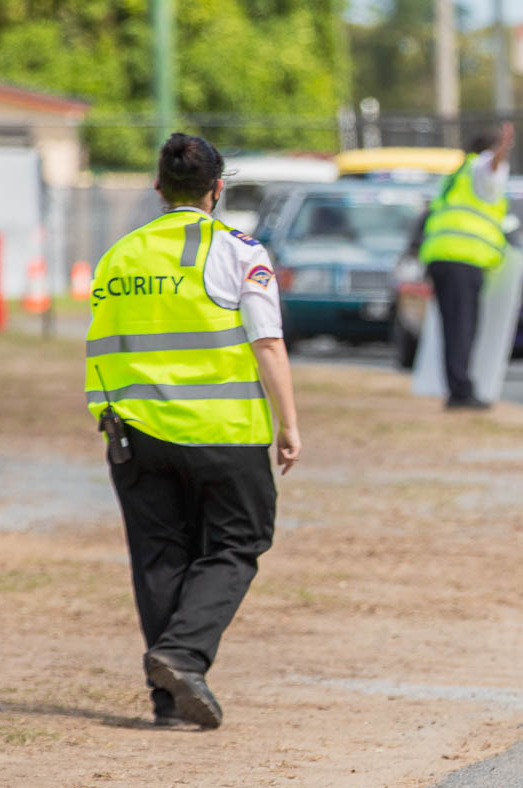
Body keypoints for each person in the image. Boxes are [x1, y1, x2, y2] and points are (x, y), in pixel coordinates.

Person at [87, 133, 302, 730]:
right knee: (236, 545)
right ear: (217, 189)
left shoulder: (121, 255)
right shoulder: (240, 251)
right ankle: (182, 657)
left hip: (134, 430)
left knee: (159, 557)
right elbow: (267, 343)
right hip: (223, 431)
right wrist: (289, 425)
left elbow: (107, 343)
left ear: (159, 188)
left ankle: (168, 700)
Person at [417, 123, 512, 410]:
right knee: (462, 328)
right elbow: (491, 164)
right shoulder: (480, 168)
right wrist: (503, 148)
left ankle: (458, 387)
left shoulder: (459, 173)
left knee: (454, 327)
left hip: (443, 257)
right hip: (462, 258)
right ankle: (461, 392)